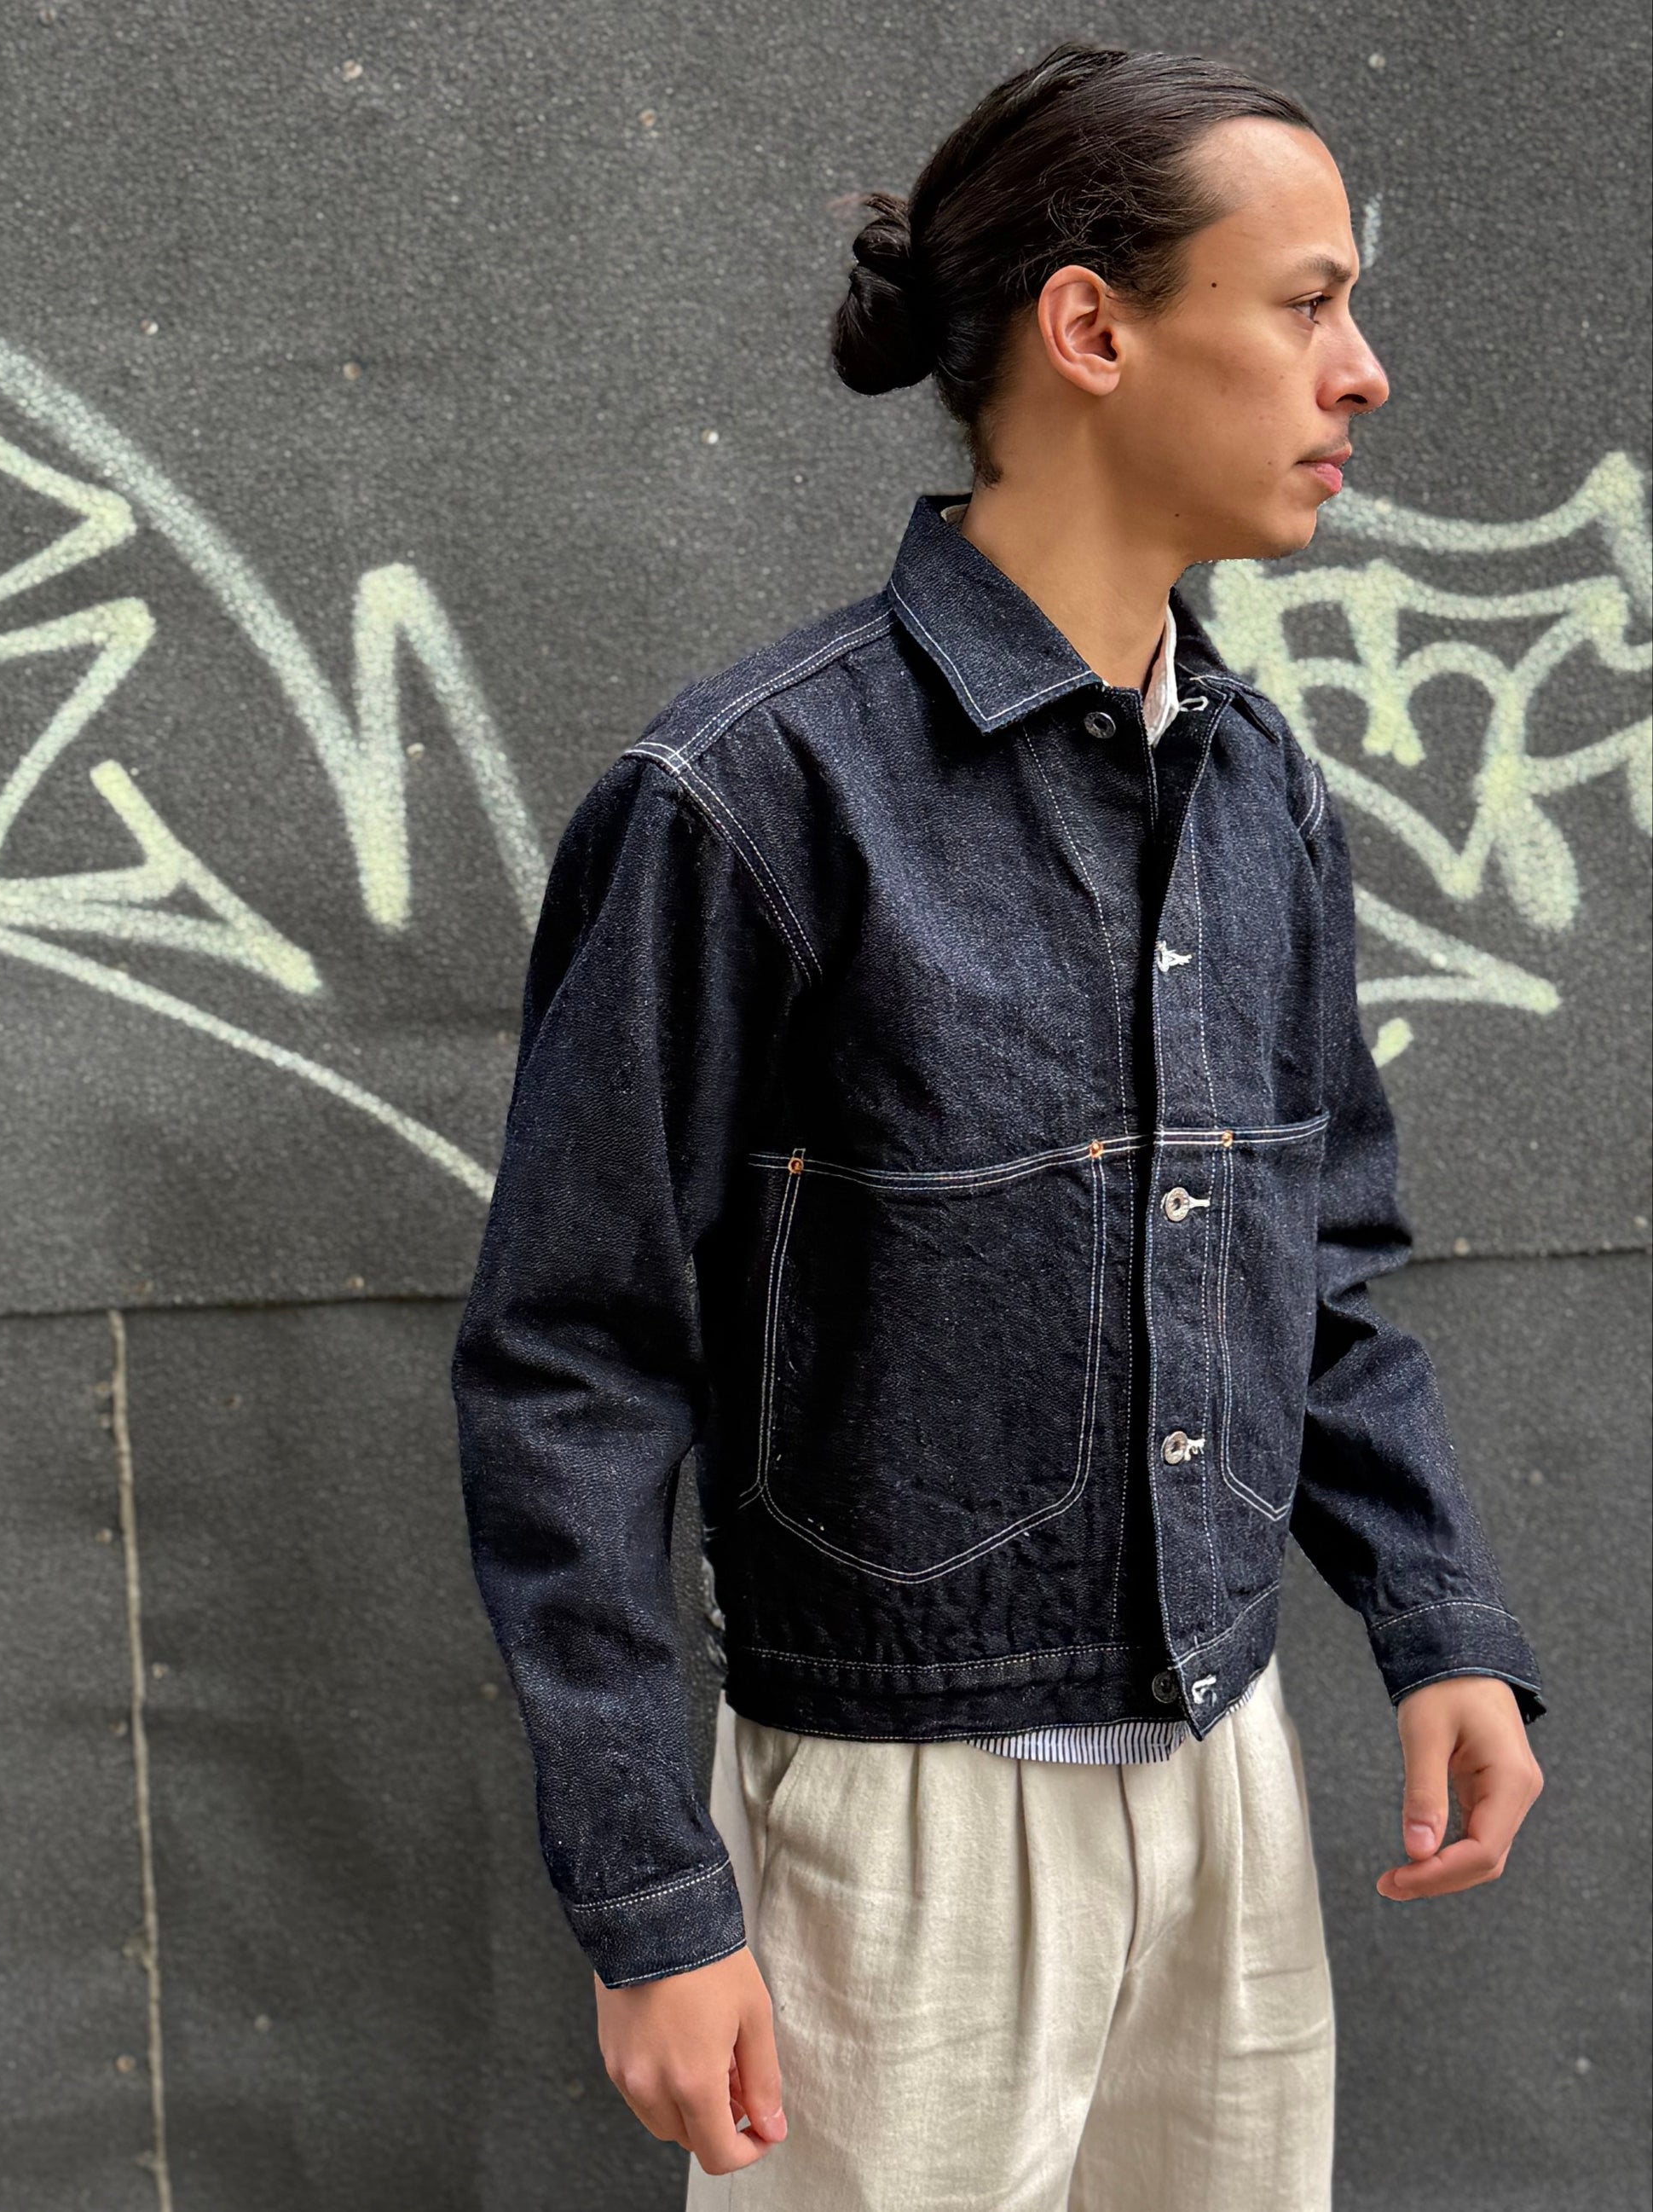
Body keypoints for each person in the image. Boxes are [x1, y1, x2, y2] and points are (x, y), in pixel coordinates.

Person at [448, 42, 1547, 2210]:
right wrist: (649, 1894)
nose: (1363, 373)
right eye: (1305, 303)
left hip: (1223, 1772)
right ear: (1089, 328)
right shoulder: (752, 796)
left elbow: (1317, 1259)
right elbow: (570, 1364)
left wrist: (1438, 1618)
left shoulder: (1259, 786)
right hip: (895, 1819)